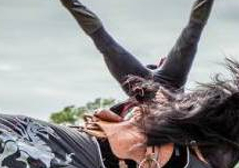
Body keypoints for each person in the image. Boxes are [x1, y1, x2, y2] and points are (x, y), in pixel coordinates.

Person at [60, 0, 214, 98]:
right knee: (193, 32)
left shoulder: (144, 78)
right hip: (164, 84)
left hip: (151, 84)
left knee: (105, 43)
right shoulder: (164, 77)